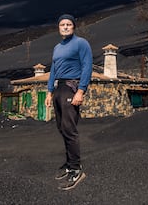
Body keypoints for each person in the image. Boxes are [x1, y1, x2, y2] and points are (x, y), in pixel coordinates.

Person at [45, 14, 93, 191]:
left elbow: (87, 66)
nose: (65, 27)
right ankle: (69, 163)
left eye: (68, 24)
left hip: (71, 86)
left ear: (74, 27)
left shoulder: (81, 43)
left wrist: (81, 91)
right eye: (62, 24)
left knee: (69, 129)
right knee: (61, 128)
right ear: (59, 28)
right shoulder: (57, 47)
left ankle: (76, 169)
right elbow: (53, 70)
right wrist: (49, 92)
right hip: (59, 88)